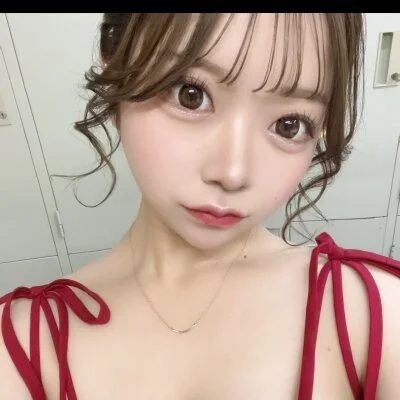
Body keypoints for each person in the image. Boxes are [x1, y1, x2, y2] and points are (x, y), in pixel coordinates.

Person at [1, 12, 400, 400]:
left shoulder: (376, 312)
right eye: (190, 95)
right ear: (115, 59)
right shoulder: (20, 344)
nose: (232, 172)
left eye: (289, 124)